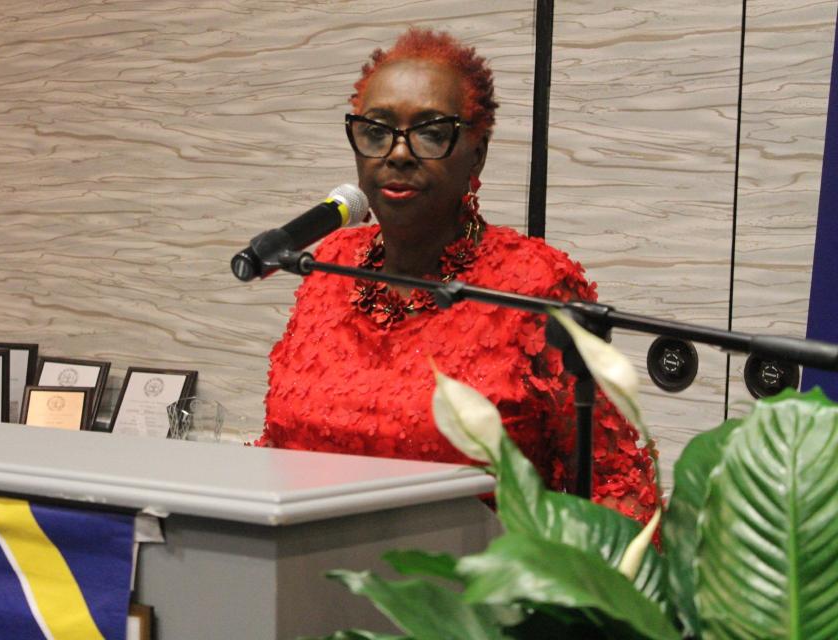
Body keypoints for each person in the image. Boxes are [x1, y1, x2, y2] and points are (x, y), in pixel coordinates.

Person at [256, 28, 657, 525]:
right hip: (302, 584)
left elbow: (614, 485)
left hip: (470, 593)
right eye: (377, 130)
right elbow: (277, 446)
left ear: (477, 153)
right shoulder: (327, 265)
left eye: (431, 131)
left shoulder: (535, 283)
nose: (398, 153)